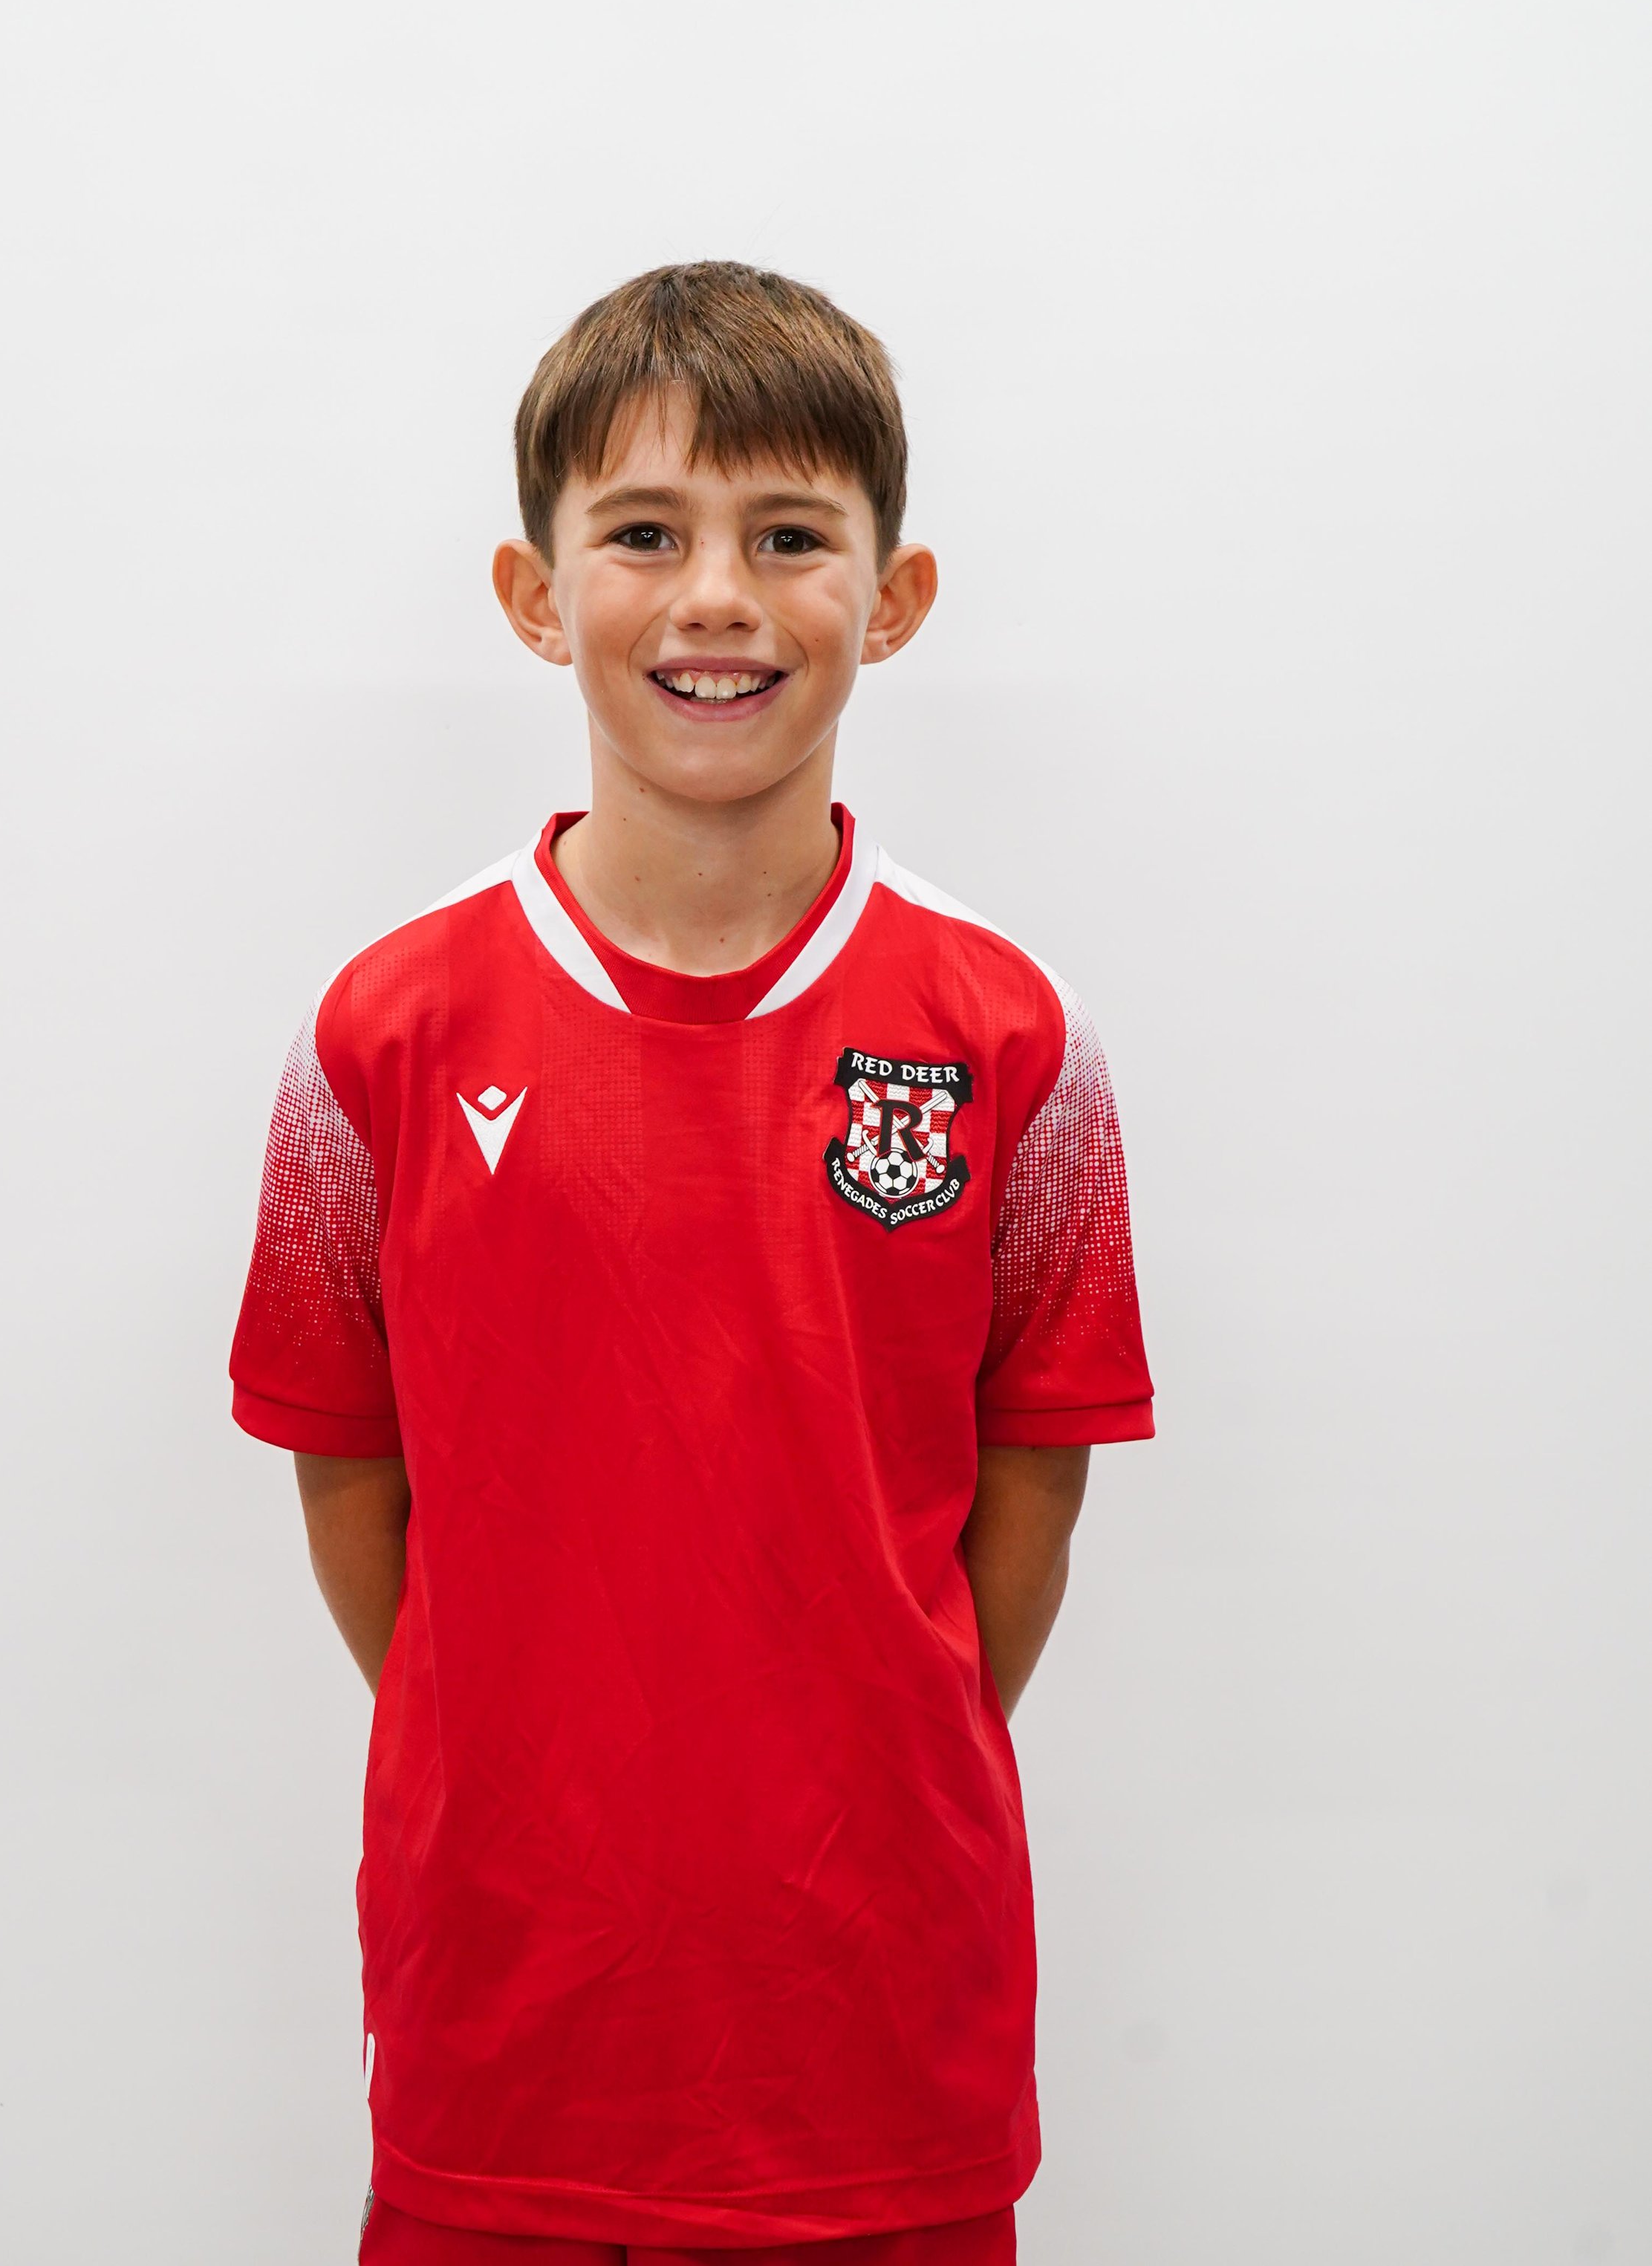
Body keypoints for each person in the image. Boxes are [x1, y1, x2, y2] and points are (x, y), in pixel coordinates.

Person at [229, 262, 1154, 2266]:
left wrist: (845, 1736)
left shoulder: (1010, 1039)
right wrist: (529, 1740)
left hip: (874, 2047)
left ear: (890, 600)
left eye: (789, 536)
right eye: (642, 534)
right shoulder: (377, 1035)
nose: (716, 596)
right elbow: (350, 1475)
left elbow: (1028, 1491)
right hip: (512, 2035)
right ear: (534, 593)